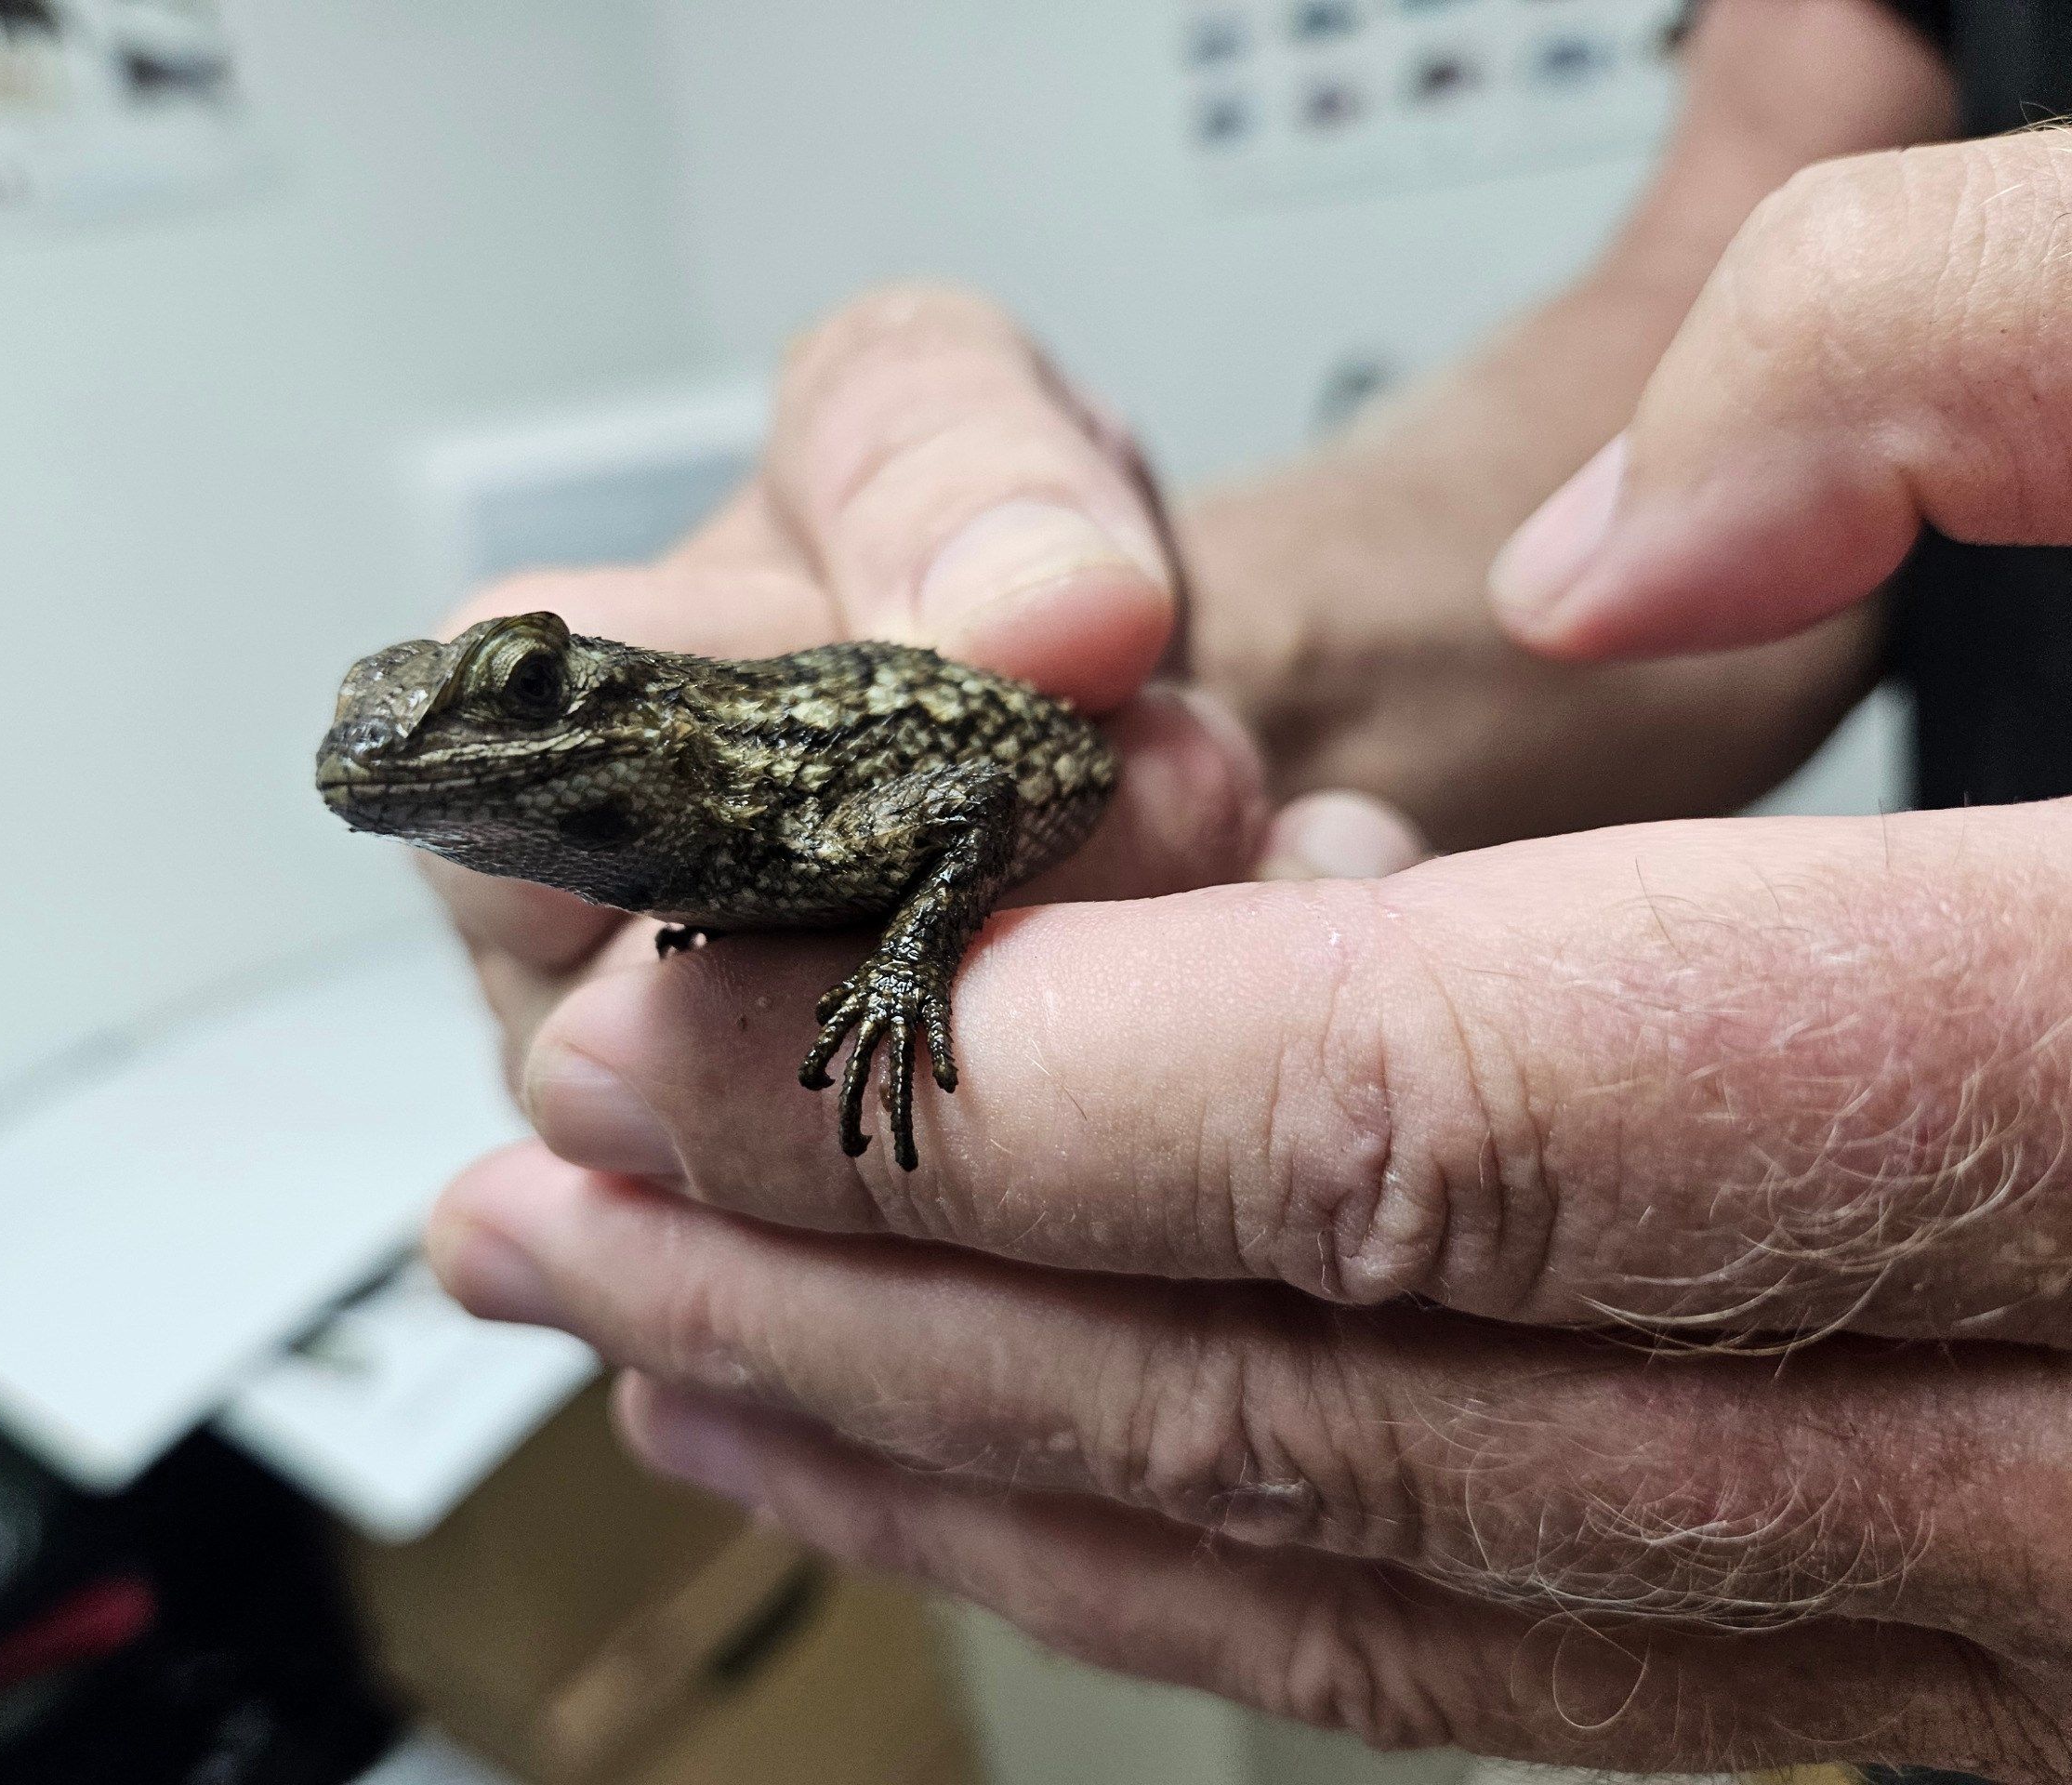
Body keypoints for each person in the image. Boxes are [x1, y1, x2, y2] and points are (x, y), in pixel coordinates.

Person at [417, 0, 2072, 1776]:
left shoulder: (794, 818)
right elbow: (1725, 304)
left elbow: (975, 786)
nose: (443, 761)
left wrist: (903, 975)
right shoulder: (737, 828)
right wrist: (1193, 646)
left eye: (519, 700)